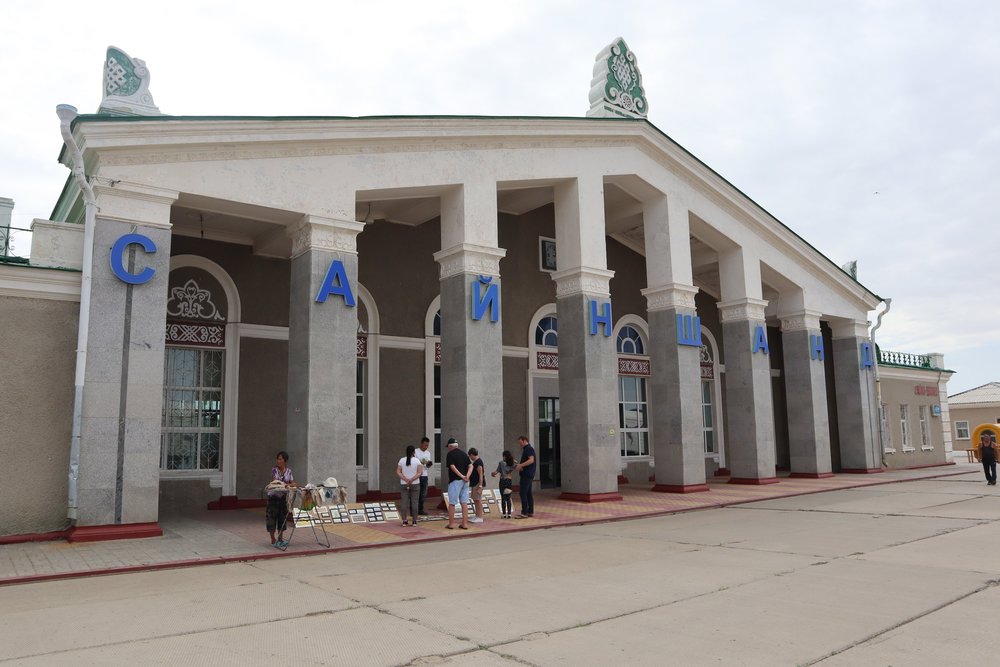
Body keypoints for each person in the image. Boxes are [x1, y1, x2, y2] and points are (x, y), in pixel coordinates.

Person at [266, 451, 296, 547]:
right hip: (273, 498)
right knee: (272, 518)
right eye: (277, 459)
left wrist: (288, 485)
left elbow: (293, 483)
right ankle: (273, 539)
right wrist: (285, 484)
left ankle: (280, 539)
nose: (278, 461)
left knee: (282, 518)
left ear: (285, 461)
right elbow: (275, 482)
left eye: (280, 459)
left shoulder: (289, 471)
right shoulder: (274, 470)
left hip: (283, 498)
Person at [444, 437, 472, 529]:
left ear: (450, 446)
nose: (448, 448)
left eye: (448, 447)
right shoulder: (464, 454)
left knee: (452, 503)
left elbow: (452, 467)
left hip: (455, 481)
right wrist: (467, 476)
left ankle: (451, 524)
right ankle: (464, 523)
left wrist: (461, 476)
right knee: (464, 502)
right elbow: (471, 466)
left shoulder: (450, 454)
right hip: (466, 481)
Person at [397, 445, 424, 526]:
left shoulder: (401, 460)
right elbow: (420, 472)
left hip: (404, 484)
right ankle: (414, 521)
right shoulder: (417, 461)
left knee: (404, 502)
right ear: (413, 452)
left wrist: (405, 479)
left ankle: (404, 520)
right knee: (415, 502)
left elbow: (398, 471)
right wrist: (412, 479)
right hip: (415, 483)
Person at [514, 435, 536, 518]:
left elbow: (531, 460)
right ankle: (530, 511)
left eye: (520, 443)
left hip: (527, 475)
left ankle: (524, 512)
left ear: (524, 441)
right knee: (528, 493)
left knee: (523, 493)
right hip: (528, 474)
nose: (520, 445)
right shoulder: (527, 449)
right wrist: (519, 464)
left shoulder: (529, 449)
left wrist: (521, 465)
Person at [491, 450, 516, 518]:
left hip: (503, 481)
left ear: (504, 456)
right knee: (508, 498)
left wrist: (493, 474)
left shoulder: (501, 463)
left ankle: (504, 514)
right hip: (509, 481)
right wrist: (513, 460)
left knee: (503, 498)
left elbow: (496, 471)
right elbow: (516, 465)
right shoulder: (512, 463)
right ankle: (510, 514)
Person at [415, 436, 433, 516]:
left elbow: (427, 466)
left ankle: (420, 509)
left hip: (424, 475)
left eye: (427, 445)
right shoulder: (415, 451)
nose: (426, 447)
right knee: (416, 493)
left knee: (423, 494)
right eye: (425, 445)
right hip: (417, 475)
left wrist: (429, 464)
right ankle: (414, 510)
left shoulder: (428, 453)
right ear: (421, 444)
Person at [468, 448, 485, 523]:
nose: (470, 458)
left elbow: (480, 474)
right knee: (475, 499)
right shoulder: (476, 462)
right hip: (475, 483)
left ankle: (480, 516)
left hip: (478, 484)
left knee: (478, 500)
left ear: (471, 454)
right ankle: (477, 515)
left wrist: (480, 485)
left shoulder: (478, 462)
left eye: (470, 456)